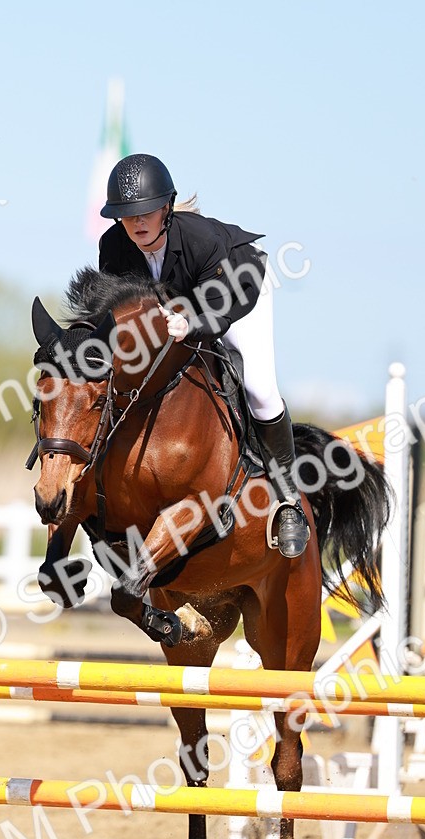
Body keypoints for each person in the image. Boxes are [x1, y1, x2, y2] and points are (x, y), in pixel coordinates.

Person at [98, 152, 309, 559]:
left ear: (166, 210)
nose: (138, 223)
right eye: (128, 215)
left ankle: (289, 503)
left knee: (260, 389)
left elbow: (222, 298)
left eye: (147, 213)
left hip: (237, 290)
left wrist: (191, 320)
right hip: (178, 309)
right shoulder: (113, 247)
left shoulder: (200, 239)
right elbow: (118, 307)